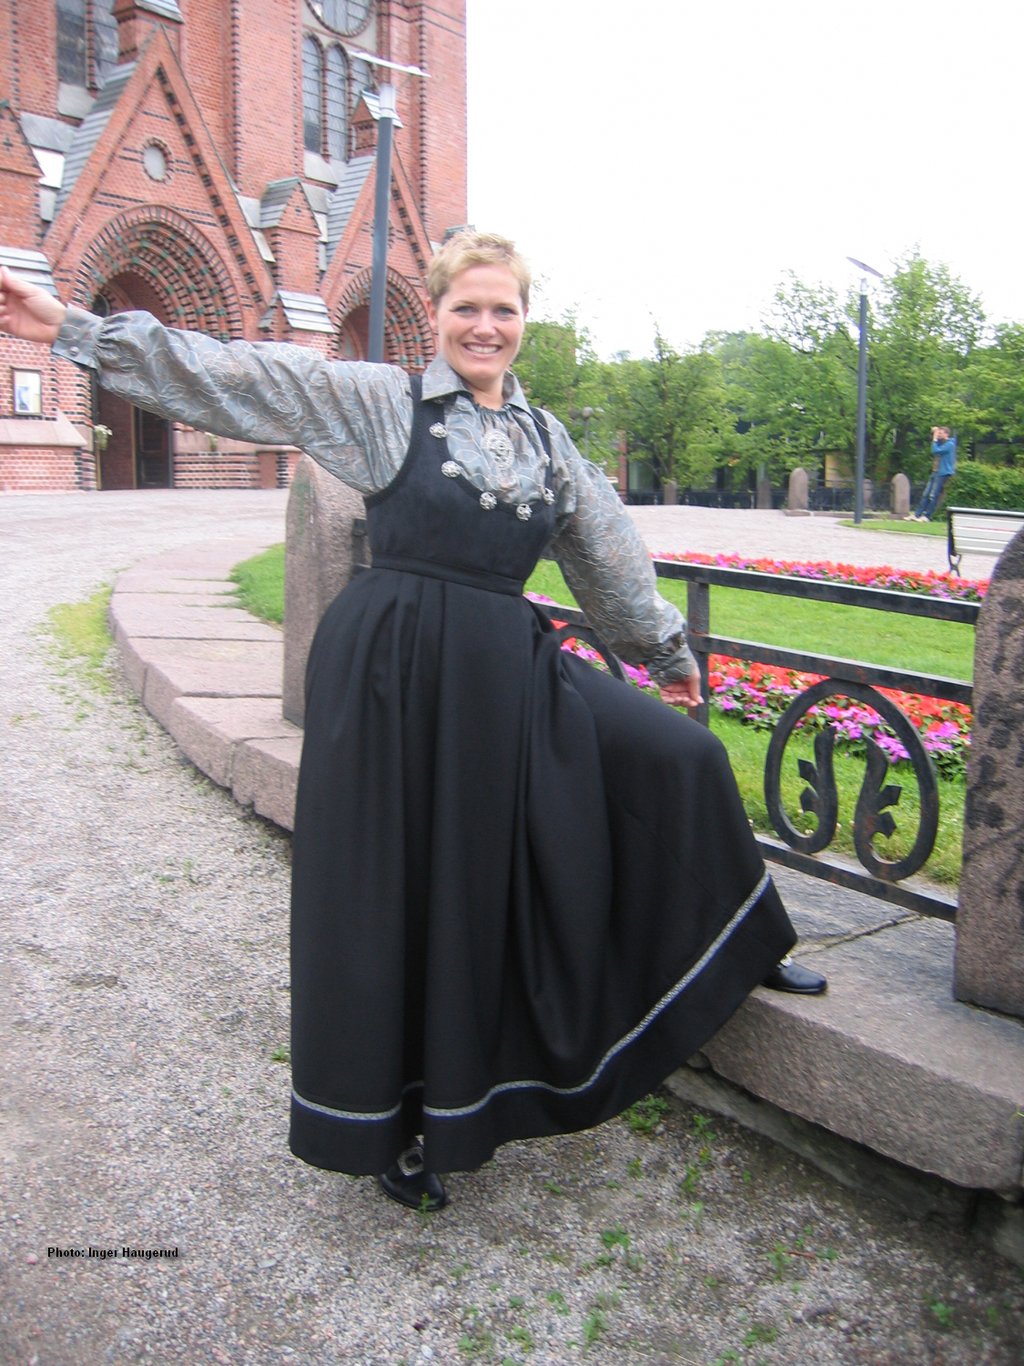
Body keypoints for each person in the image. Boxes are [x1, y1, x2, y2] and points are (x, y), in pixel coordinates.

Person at [0, 234, 825, 1213]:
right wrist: (77, 330)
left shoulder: (545, 439)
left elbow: (606, 555)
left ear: (524, 319)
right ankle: (396, 1125)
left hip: (502, 673)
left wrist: (667, 656)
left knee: (675, 751)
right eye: (466, 309)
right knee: (398, 898)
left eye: (503, 310)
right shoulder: (380, 403)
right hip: (393, 677)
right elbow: (241, 375)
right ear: (435, 316)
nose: (485, 327)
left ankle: (743, 938)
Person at [907, 426, 957, 521]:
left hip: (942, 473)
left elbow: (935, 451)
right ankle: (917, 515)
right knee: (926, 494)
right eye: (939, 433)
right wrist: (935, 432)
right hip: (935, 472)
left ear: (947, 434)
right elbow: (936, 447)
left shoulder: (950, 444)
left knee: (933, 495)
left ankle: (927, 516)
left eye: (941, 433)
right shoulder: (941, 443)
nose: (939, 435)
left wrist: (934, 438)